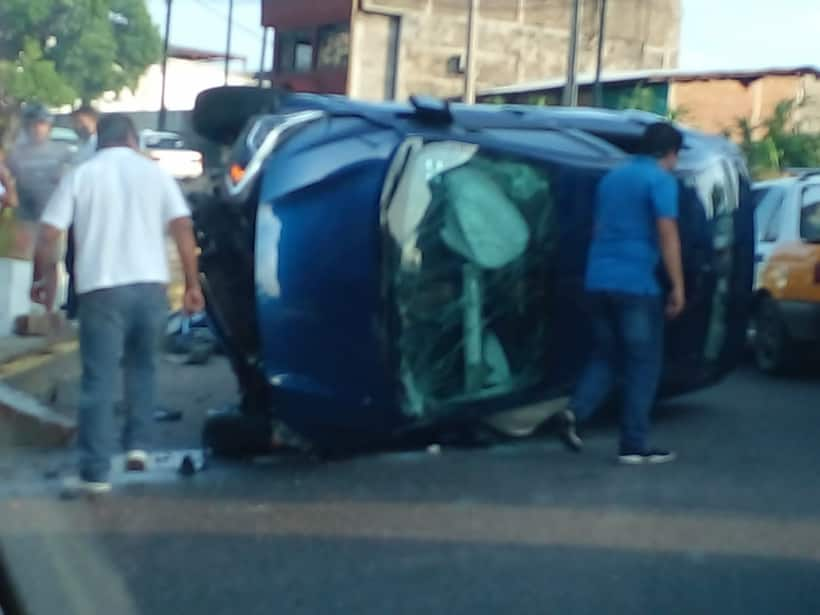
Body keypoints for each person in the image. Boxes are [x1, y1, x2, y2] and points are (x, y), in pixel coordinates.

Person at [31, 113, 205, 496]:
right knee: (143, 368)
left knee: (99, 378)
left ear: (99, 140)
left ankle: (96, 472)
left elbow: (48, 234)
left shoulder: (83, 174)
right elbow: (183, 227)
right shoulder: (156, 174)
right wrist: (192, 284)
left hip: (102, 289)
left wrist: (41, 279)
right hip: (151, 287)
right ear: (132, 139)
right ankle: (138, 447)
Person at [555, 122, 685, 465]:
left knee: (608, 354)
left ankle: (574, 411)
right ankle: (633, 444)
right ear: (671, 153)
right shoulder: (660, 180)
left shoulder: (612, 179)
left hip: (598, 279)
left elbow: (598, 228)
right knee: (643, 363)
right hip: (636, 284)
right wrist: (677, 286)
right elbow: (667, 232)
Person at [7, 103, 73, 257]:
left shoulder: (63, 152)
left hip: (53, 220)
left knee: (52, 261)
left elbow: (72, 181)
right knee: (23, 261)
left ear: (49, 126)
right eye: (33, 125)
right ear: (26, 127)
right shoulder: (15, 154)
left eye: (42, 124)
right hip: (25, 220)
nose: (37, 129)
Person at [63, 105, 100, 318]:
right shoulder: (83, 146)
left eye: (79, 122)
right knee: (73, 259)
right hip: (78, 211)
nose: (76, 127)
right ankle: (73, 304)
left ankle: (79, 305)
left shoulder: (97, 146)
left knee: (81, 259)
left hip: (90, 212)